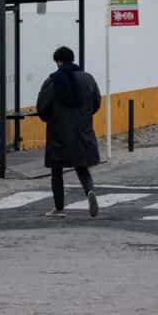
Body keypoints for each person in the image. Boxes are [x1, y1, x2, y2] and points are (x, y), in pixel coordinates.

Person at [36, 46, 102, 218]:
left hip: (58, 132)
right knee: (82, 167)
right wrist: (85, 116)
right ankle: (89, 191)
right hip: (82, 132)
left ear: (58, 61)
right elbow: (96, 102)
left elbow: (42, 106)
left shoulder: (52, 81)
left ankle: (59, 208)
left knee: (57, 171)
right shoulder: (88, 79)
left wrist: (49, 118)